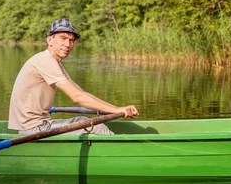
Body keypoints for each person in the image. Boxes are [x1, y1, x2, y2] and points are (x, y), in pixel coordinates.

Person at [8, 18, 139, 135]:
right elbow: (77, 98)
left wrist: (115, 110)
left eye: (71, 40)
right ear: (49, 39)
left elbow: (82, 93)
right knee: (95, 126)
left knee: (84, 121)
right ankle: (119, 152)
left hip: (39, 125)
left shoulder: (54, 63)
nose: (68, 44)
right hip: (33, 130)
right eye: (63, 38)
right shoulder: (45, 60)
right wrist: (117, 110)